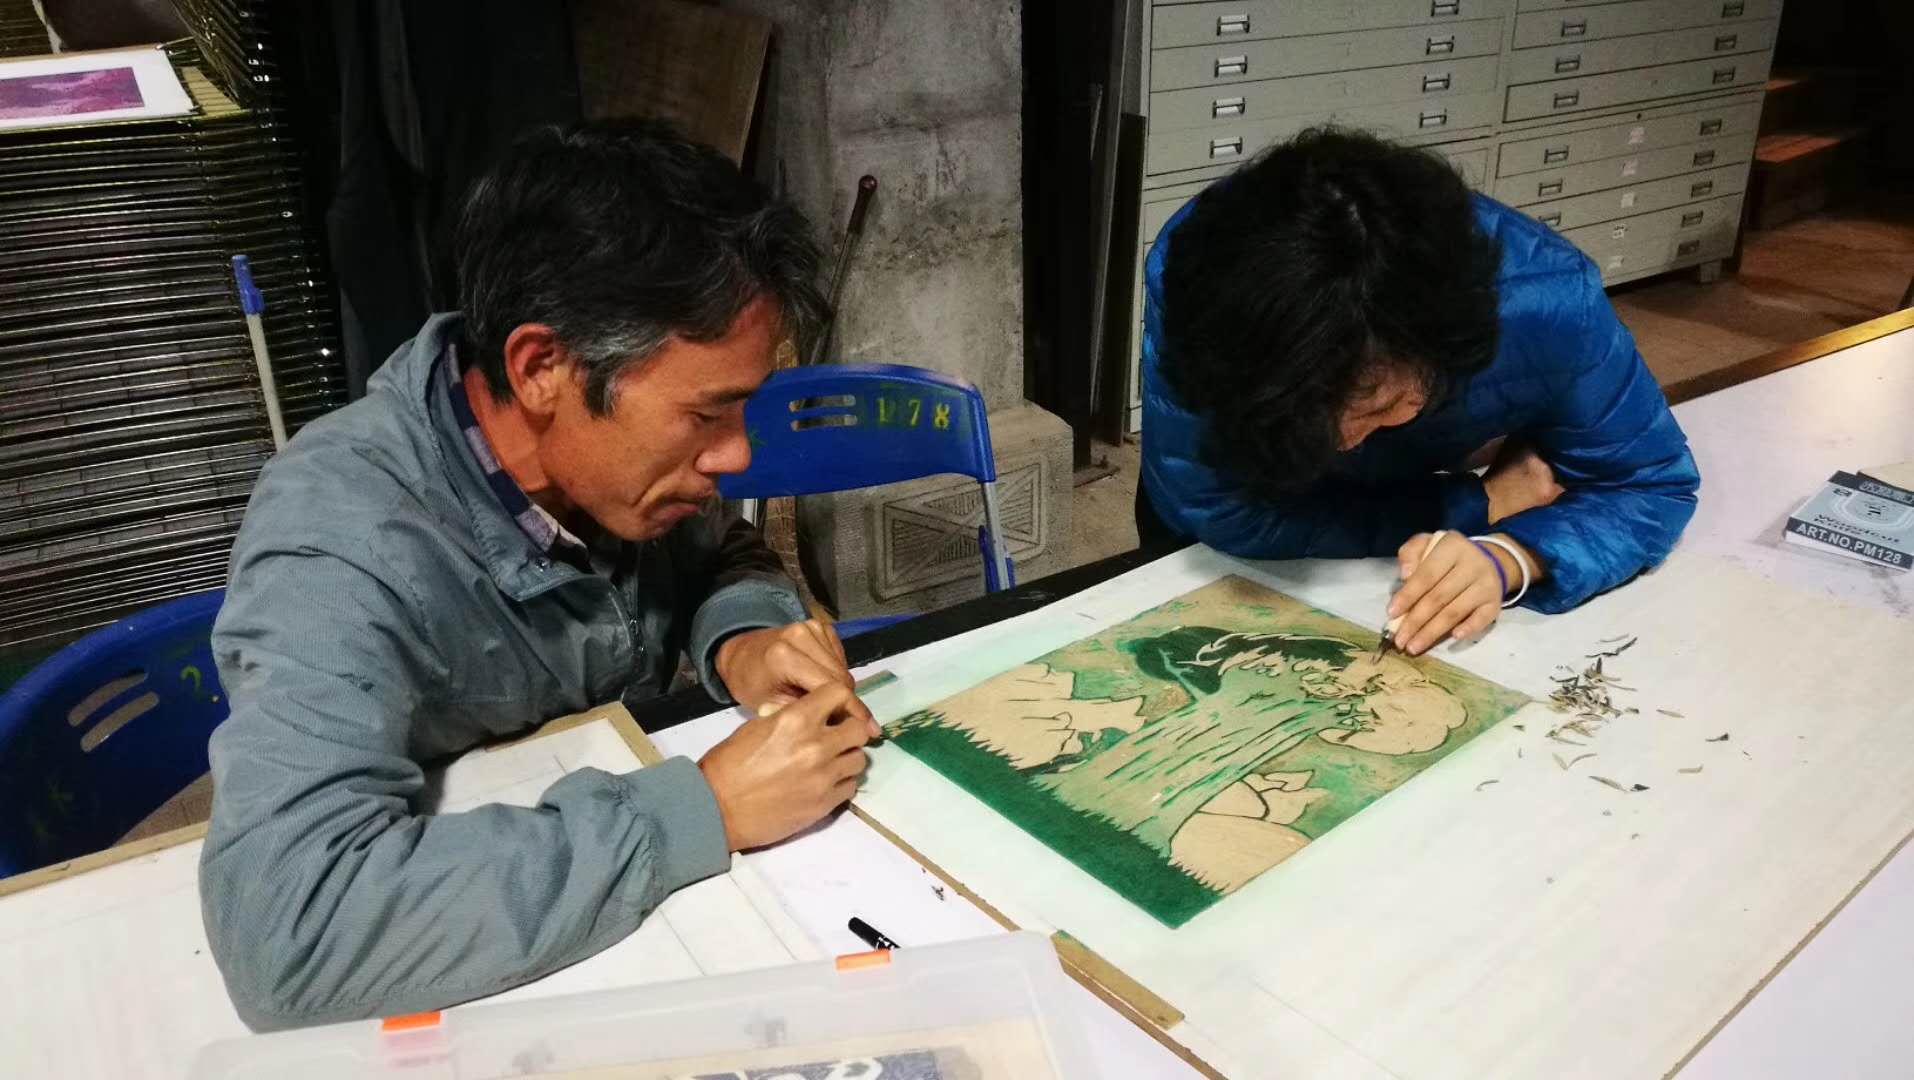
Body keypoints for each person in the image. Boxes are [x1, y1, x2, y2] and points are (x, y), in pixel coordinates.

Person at [200, 122, 876, 1030]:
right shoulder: (340, 545)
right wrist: (700, 808)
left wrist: (745, 636)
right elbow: (294, 929)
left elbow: (721, 552)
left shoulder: (618, 468)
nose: (736, 456)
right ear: (542, 367)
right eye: (708, 414)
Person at [1137, 127, 1700, 654]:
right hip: (1242, 537)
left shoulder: (1548, 305)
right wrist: (1479, 502)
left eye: (1377, 407)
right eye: (1303, 410)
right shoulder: (1203, 283)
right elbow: (1215, 507)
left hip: (1401, 504)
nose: (1339, 443)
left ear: (1444, 353)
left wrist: (1511, 555)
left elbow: (1651, 484)